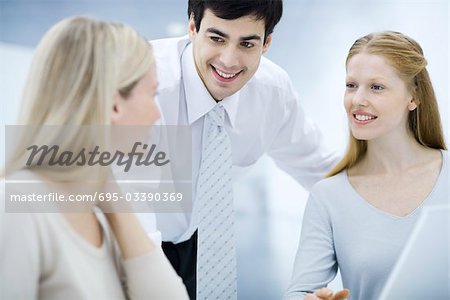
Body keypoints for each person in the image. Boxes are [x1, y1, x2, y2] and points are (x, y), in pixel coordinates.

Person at [143, 0, 338, 298]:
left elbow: (320, 168)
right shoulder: (143, 87)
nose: (229, 60)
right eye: (217, 38)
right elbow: (132, 219)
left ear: (266, 43)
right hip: (124, 243)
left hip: (196, 245)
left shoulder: (271, 92)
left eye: (247, 44)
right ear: (192, 27)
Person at [0, 16, 189, 299]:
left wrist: (115, 202)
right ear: (114, 104)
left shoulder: (99, 207)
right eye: (152, 94)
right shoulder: (16, 207)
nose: (157, 113)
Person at [284, 31, 448, 300]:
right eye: (351, 85)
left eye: (376, 87)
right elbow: (298, 292)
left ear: (414, 97)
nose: (357, 99)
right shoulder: (328, 196)